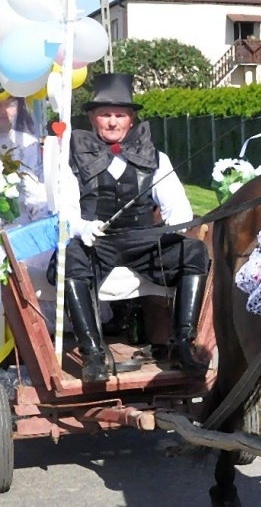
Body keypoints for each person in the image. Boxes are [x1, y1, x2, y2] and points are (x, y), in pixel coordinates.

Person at [57, 73, 208, 382]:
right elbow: (65, 211)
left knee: (194, 251)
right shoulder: (71, 158)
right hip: (96, 243)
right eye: (105, 115)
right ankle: (93, 354)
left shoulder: (157, 158)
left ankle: (181, 344)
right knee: (70, 257)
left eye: (120, 115)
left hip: (144, 241)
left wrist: (176, 223)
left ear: (131, 118)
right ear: (92, 117)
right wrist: (83, 227)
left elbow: (178, 206)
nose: (113, 122)